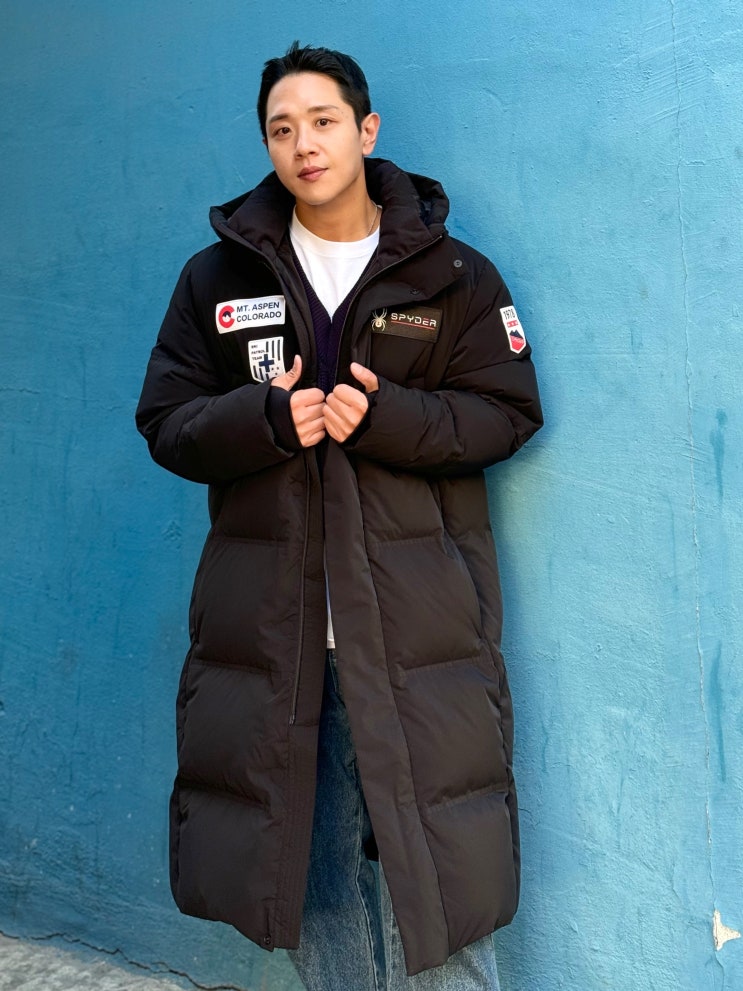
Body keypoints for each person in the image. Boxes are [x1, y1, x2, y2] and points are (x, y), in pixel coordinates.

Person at [136, 41, 542, 991]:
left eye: (322, 122)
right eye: (281, 129)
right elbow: (166, 421)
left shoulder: (452, 275)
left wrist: (391, 419)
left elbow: (507, 411)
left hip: (414, 633)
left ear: (365, 130)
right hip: (275, 639)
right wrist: (266, 419)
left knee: (435, 883)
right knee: (313, 886)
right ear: (267, 146)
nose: (303, 144)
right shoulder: (216, 279)